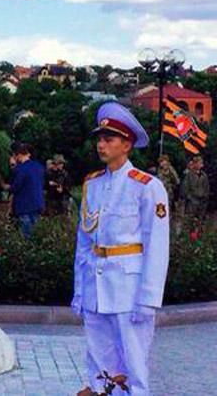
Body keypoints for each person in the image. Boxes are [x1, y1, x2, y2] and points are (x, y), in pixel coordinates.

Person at [72, 103, 169, 396]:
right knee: (99, 364)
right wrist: (79, 290)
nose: (101, 145)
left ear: (127, 145)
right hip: (95, 286)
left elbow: (157, 246)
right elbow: (84, 242)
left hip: (129, 289)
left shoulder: (147, 186)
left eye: (109, 139)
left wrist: (149, 299)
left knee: (133, 365)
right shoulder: (93, 184)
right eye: (99, 139)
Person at [8, 143, 45, 238]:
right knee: (36, 233)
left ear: (19, 155)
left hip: (24, 206)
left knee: (26, 235)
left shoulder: (20, 169)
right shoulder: (39, 167)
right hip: (38, 203)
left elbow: (15, 187)